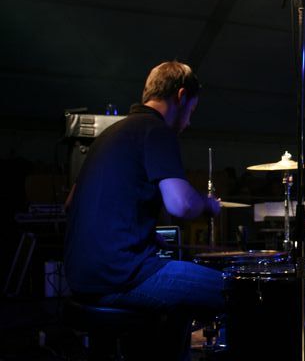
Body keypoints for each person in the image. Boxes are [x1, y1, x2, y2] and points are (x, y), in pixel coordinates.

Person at [64, 61, 222, 360]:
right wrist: (208, 204)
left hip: (81, 277)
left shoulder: (109, 135)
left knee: (180, 305)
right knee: (237, 289)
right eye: (191, 111)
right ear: (181, 96)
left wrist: (144, 234)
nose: (188, 122)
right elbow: (181, 204)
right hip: (122, 276)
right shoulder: (156, 130)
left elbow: (71, 203)